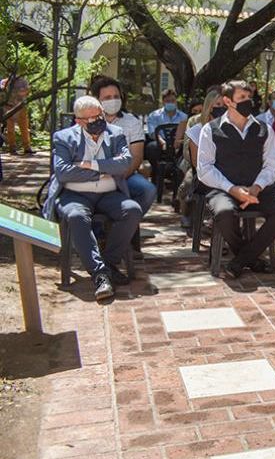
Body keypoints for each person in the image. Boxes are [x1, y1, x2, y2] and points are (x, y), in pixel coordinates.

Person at [43, 96, 141, 300]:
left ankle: (109, 262)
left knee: (132, 210)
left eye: (100, 115)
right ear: (78, 121)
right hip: (74, 194)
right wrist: (103, 170)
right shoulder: (63, 137)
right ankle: (100, 275)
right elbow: (63, 172)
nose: (98, 120)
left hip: (109, 193)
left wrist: (90, 165)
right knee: (77, 216)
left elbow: (124, 164)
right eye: (91, 119)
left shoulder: (116, 134)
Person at [197, 80, 275, 279]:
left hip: (258, 189)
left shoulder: (264, 129)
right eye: (242, 98)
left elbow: (270, 166)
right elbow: (204, 169)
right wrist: (232, 189)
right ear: (227, 101)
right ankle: (251, 258)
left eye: (249, 98)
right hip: (223, 190)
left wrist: (256, 188)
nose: (247, 102)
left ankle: (241, 260)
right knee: (224, 213)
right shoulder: (210, 130)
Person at [91, 76, 157, 215]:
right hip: (94, 174)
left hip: (126, 174)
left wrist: (117, 179)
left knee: (148, 190)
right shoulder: (88, 121)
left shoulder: (132, 122)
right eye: (107, 97)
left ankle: (127, 223)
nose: (113, 100)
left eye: (116, 96)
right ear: (97, 100)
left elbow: (137, 157)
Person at [177, 88, 223, 228]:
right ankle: (186, 213)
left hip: (225, 170)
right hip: (197, 166)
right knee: (188, 183)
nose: (222, 109)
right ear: (209, 107)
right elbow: (188, 153)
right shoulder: (196, 125)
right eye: (218, 105)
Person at [144, 89, 187, 175]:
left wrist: (178, 142)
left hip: (178, 143)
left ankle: (179, 174)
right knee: (152, 147)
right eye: (167, 101)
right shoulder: (154, 116)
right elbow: (152, 133)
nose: (170, 103)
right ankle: (157, 175)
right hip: (160, 142)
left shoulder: (184, 116)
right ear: (163, 102)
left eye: (173, 100)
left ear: (176, 101)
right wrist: (162, 143)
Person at [3, 74, 32, 154]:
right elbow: (3, 91)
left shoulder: (23, 81)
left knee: (24, 128)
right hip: (9, 108)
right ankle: (12, 148)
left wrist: (18, 92)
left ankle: (27, 148)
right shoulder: (5, 81)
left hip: (21, 107)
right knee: (10, 129)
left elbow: (27, 91)